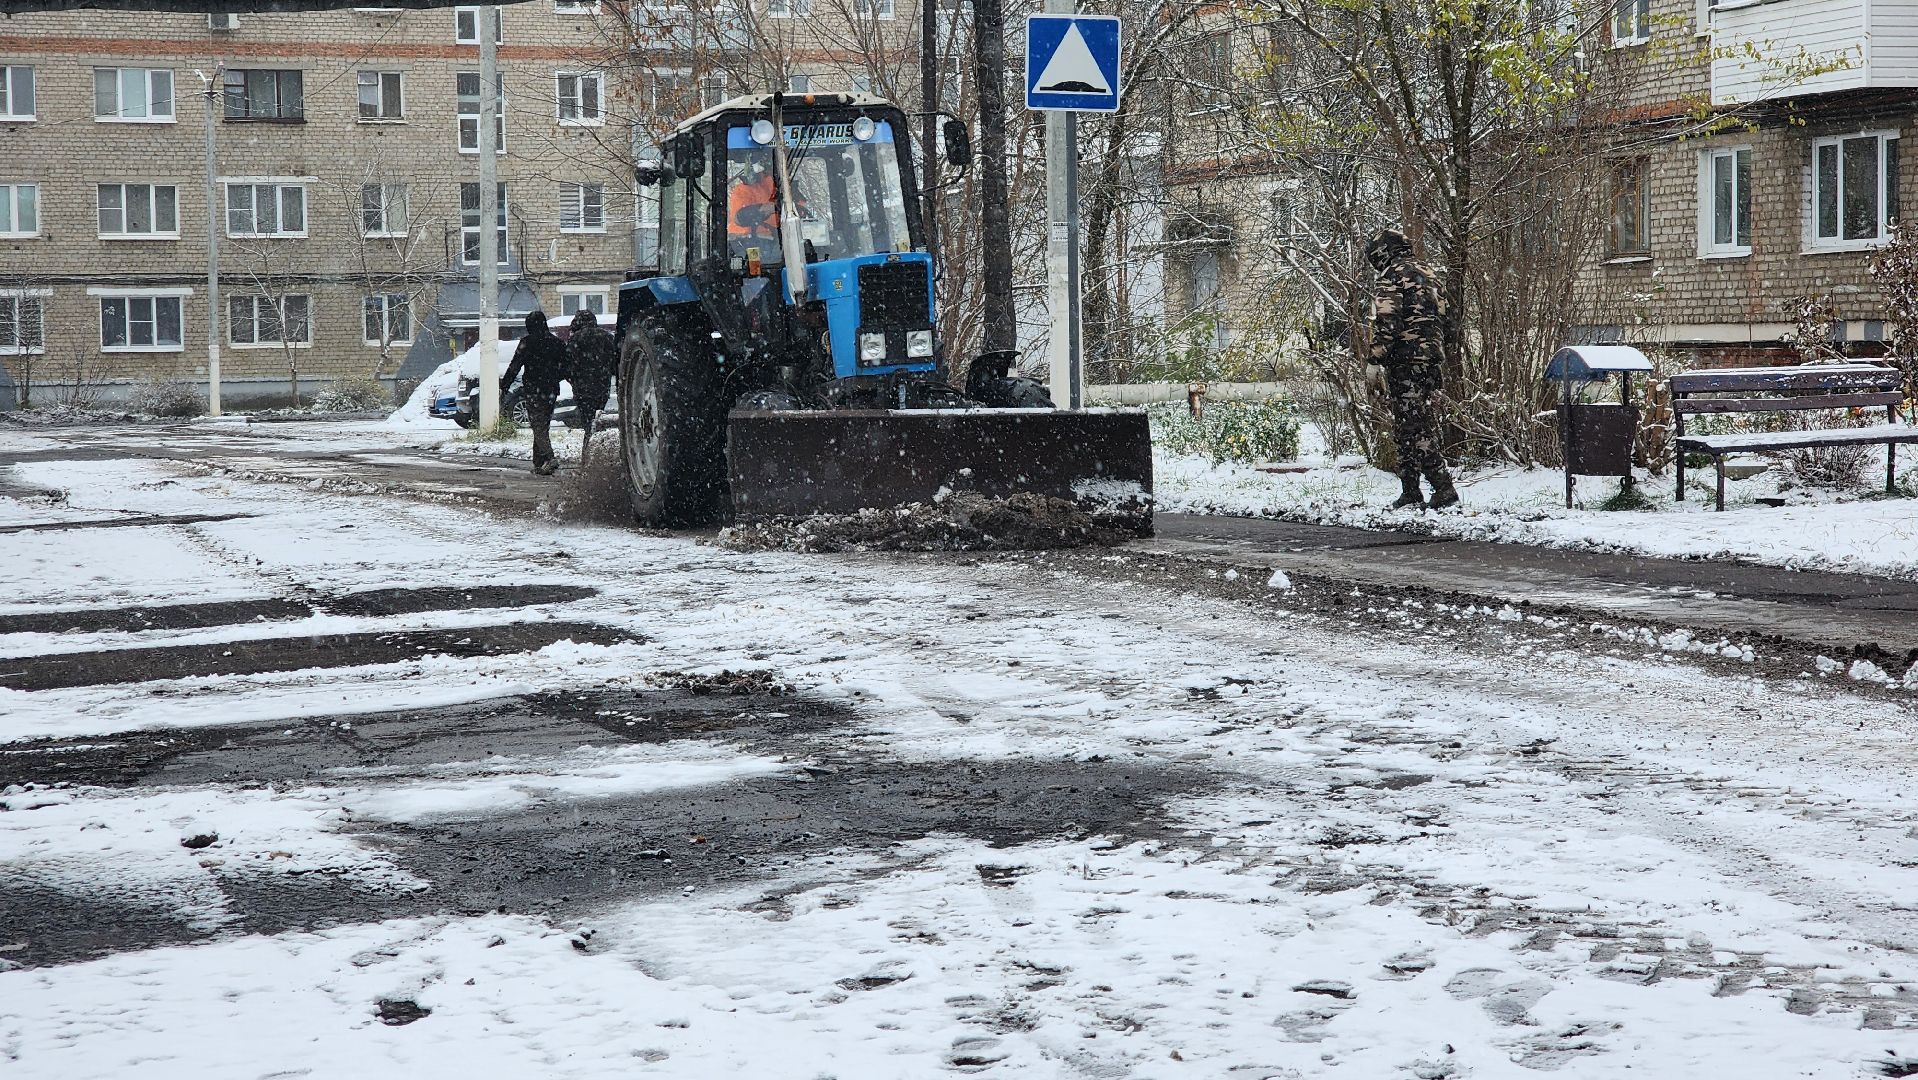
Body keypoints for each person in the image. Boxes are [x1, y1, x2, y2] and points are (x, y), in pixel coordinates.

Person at [1366, 228, 1459, 510]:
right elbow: (1451, 323)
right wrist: (1433, 350)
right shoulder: (1429, 275)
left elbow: (1388, 323)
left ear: (1382, 253)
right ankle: (1410, 491)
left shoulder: (1392, 276)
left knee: (1413, 428)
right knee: (1410, 425)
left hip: (1404, 363)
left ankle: (1443, 488)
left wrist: (1375, 359)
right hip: (1430, 362)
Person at [500, 310, 569, 476]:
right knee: (542, 424)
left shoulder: (527, 342)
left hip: (533, 389)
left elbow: (515, 365)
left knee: (538, 426)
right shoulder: (557, 342)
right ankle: (539, 463)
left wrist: (504, 385)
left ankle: (549, 457)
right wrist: (554, 378)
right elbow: (566, 367)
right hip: (551, 390)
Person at [566, 307, 617, 468]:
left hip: (583, 390)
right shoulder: (607, 338)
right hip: (602, 388)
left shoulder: (576, 340)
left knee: (588, 423)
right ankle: (598, 459)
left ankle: (587, 458)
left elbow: (567, 366)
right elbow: (616, 364)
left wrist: (574, 380)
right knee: (598, 421)